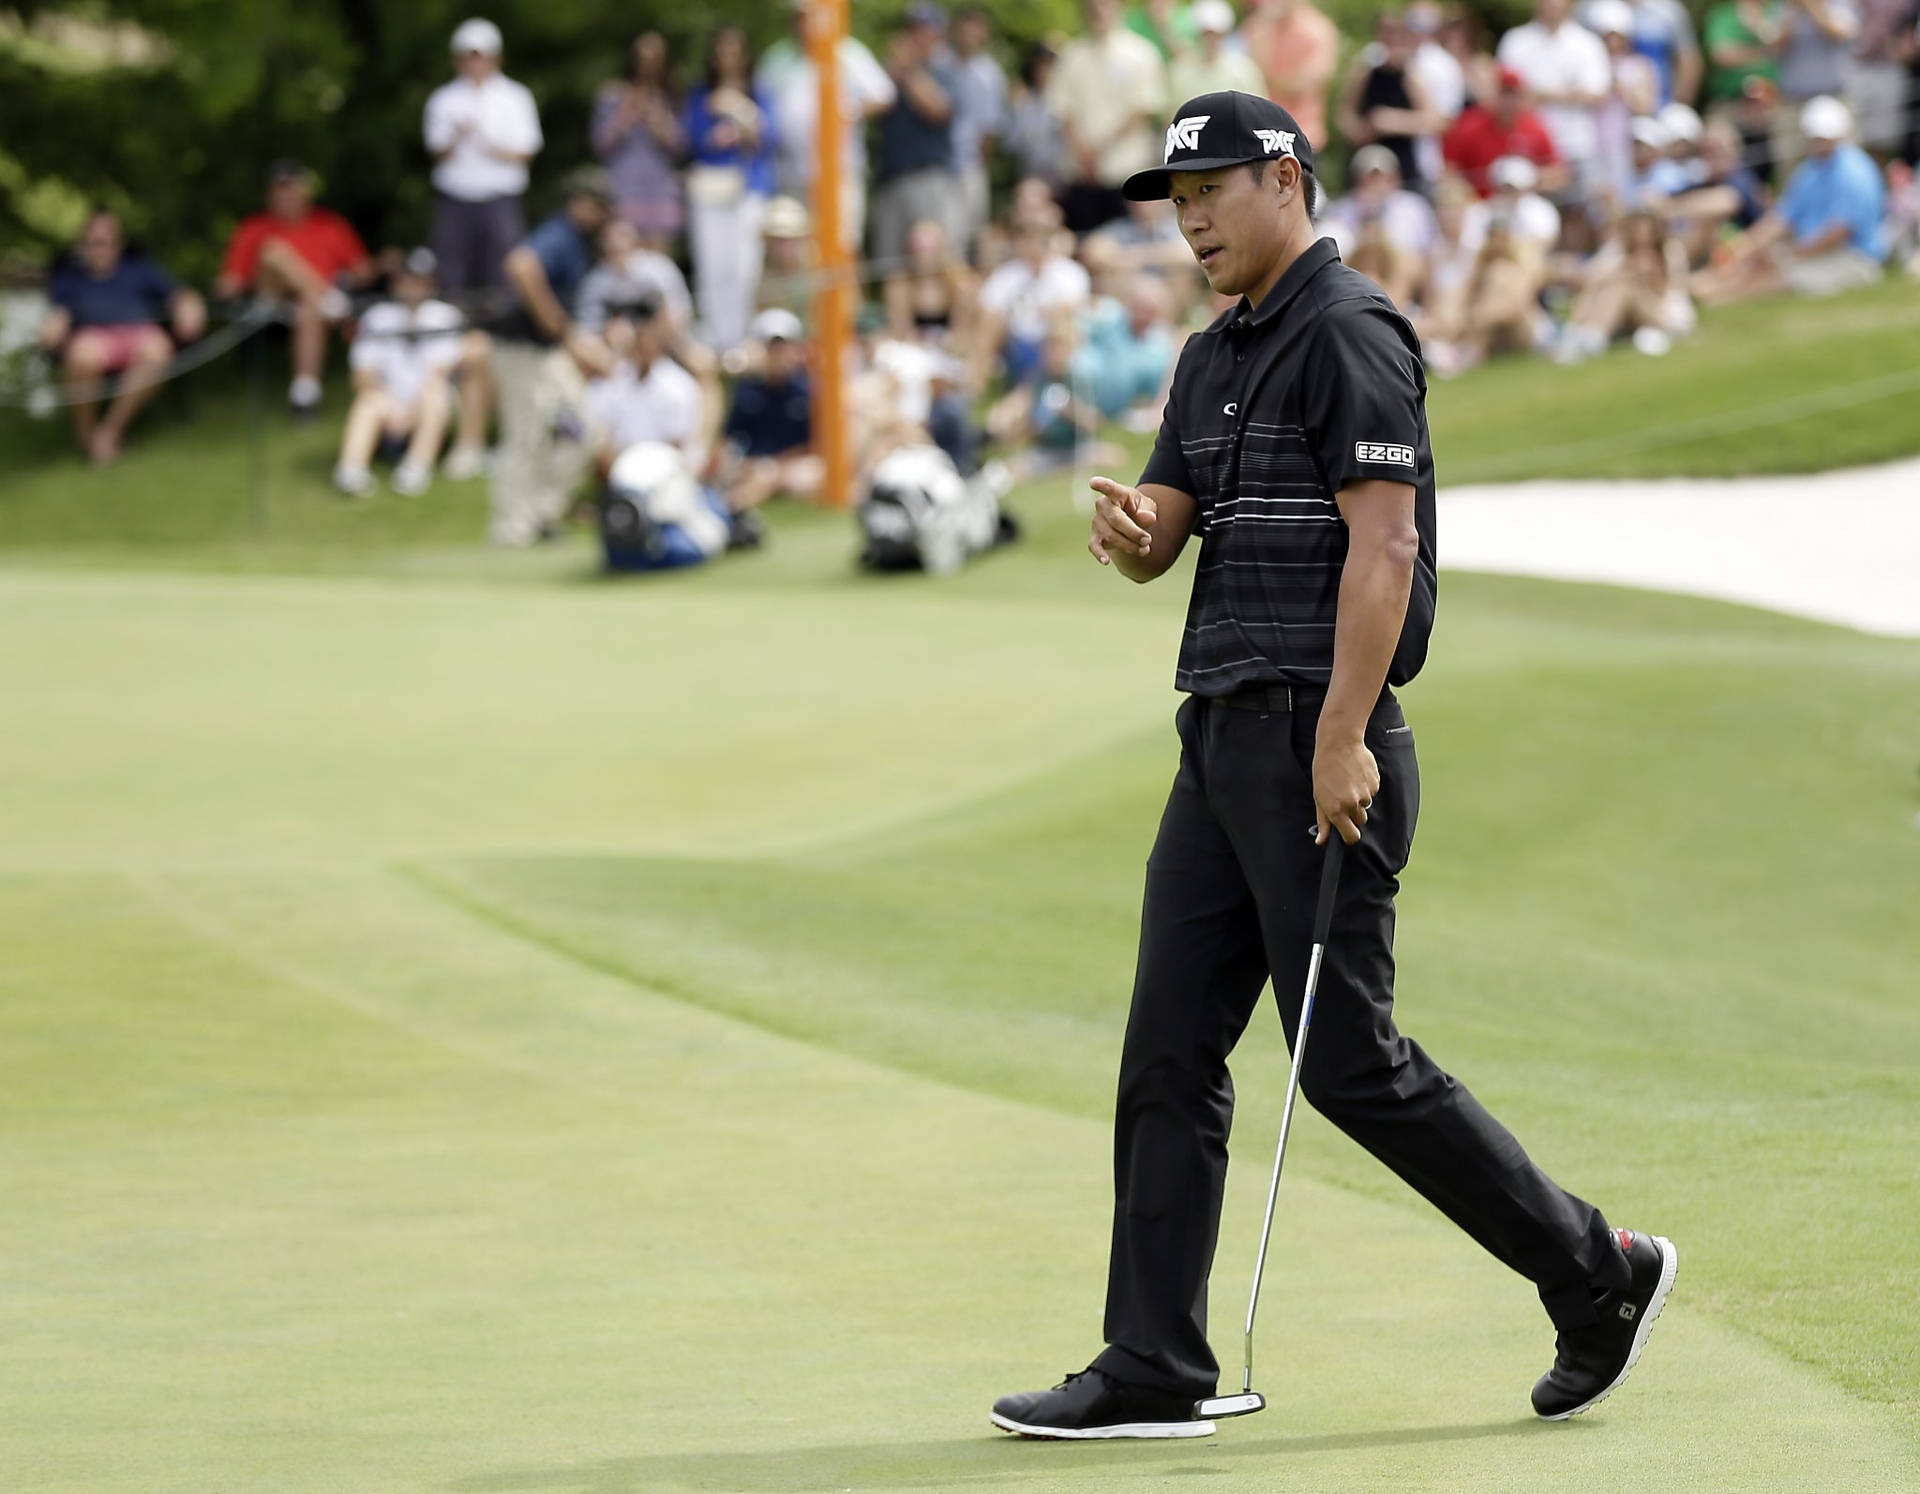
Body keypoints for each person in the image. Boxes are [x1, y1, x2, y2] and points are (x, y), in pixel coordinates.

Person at [990, 88, 1676, 1441]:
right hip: (1220, 730)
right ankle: (1154, 1357)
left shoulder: (1350, 330)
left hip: (1320, 733)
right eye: (1175, 197)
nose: (1189, 215)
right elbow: (1172, 517)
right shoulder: (1212, 350)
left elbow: (1387, 547)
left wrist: (1345, 731)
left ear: (1289, 180)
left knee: (1346, 1062)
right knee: (1167, 1047)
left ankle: (1600, 1271)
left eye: (1214, 187)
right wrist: (1138, 535)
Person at [487, 167, 616, 546]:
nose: (598, 213)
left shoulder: (577, 242)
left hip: (547, 352)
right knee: (526, 436)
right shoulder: (560, 234)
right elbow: (521, 265)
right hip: (520, 348)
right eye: (594, 204)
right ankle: (512, 528)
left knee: (585, 432)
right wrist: (555, 323)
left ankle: (541, 513)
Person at [38, 210, 205, 465]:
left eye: (105, 242)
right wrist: (52, 330)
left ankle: (109, 433)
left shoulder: (139, 270)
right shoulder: (69, 278)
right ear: (83, 245)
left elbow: (180, 295)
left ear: (118, 244)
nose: (99, 249)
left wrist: (190, 309)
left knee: (157, 350)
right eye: (92, 243)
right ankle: (87, 439)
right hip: (92, 340)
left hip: (139, 335)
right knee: (83, 356)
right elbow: (57, 315)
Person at [215, 160, 376, 417]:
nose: (284, 195)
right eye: (278, 189)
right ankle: (330, 302)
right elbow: (229, 282)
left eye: (290, 188)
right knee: (274, 252)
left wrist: (352, 277)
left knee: (308, 305)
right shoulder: (253, 228)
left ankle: (305, 395)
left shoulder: (330, 225)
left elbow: (364, 271)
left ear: (305, 191)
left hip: (309, 306)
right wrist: (228, 287)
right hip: (269, 304)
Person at [1694, 94, 1887, 299]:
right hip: (1816, 251)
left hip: (1854, 258)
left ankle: (1713, 296)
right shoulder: (1811, 170)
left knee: (1781, 274)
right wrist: (1744, 248)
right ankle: (1703, 288)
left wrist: (1791, 254)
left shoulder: (1854, 171)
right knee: (1764, 263)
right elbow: (1781, 219)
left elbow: (1840, 233)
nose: (1819, 142)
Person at [756, 5, 896, 253]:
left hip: (840, 174)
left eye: (809, 16)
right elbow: (762, 106)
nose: (804, 24)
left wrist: (849, 112)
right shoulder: (777, 57)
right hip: (792, 175)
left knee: (841, 246)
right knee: (794, 251)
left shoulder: (847, 51)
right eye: (799, 17)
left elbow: (883, 95)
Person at [333, 248, 469, 497]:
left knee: (436, 396)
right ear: (397, 283)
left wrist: (411, 409)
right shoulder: (376, 317)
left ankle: (416, 467)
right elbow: (362, 374)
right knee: (367, 402)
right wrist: (391, 403)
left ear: (432, 284)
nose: (415, 287)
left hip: (428, 400)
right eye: (409, 280)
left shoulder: (446, 316)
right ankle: (350, 471)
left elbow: (441, 372)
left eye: (421, 281)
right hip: (389, 400)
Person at [424, 19, 543, 298]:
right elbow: (435, 152)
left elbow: (525, 152)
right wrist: (458, 137)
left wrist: (486, 143)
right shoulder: (442, 99)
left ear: (495, 57)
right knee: (452, 273)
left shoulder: (516, 97)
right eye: (469, 57)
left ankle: (500, 337)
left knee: (503, 275)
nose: (475, 63)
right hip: (454, 200)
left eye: (481, 56)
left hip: (500, 201)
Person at [684, 27, 778, 353]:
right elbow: (693, 141)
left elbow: (768, 138)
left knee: (744, 264)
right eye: (721, 50)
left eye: (734, 50)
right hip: (710, 190)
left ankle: (740, 338)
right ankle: (715, 336)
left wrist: (737, 109)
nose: (727, 57)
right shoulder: (700, 95)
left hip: (747, 188)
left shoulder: (758, 92)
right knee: (712, 263)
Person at [1047, 0, 1169, 233]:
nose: (1099, 10)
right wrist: (1083, 152)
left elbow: (1143, 110)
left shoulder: (1141, 54)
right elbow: (1062, 110)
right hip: (1081, 175)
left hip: (1125, 174)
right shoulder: (1071, 55)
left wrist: (1098, 149)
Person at [872, 4, 965, 268]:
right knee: (891, 265)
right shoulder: (890, 72)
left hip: (929, 177)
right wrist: (893, 72)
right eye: (913, 29)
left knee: (937, 261)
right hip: (891, 178)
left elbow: (938, 110)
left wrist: (908, 72)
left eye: (925, 29)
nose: (917, 36)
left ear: (939, 35)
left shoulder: (946, 69)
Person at [1498, 0, 1613, 197]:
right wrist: (1569, 93)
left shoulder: (1587, 44)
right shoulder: (1515, 41)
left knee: (1577, 215)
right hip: (1526, 149)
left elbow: (1597, 95)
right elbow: (1504, 92)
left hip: (1576, 145)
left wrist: (1541, 93)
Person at [1555, 207, 1696, 358]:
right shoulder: (1617, 252)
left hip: (1667, 316)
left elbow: (1670, 293)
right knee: (1612, 287)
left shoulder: (1671, 252)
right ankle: (1583, 334)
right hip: (1627, 316)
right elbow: (1593, 283)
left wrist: (1645, 275)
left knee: (1623, 289)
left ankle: (1589, 339)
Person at [719, 307, 823, 513]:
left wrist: (773, 467)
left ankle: (737, 504)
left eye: (783, 347)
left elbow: (817, 445)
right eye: (772, 348)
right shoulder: (747, 390)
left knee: (804, 477)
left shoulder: (808, 390)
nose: (778, 354)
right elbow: (730, 440)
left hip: (794, 466)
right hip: (755, 466)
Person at [1338, 9, 1450, 194]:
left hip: (1404, 165)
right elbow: (1345, 114)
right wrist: (1360, 130)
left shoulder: (1412, 76)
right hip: (1368, 161)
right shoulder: (1365, 72)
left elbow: (1436, 121)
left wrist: (1394, 121)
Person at [592, 31, 686, 250]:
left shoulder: (672, 97)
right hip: (623, 189)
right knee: (625, 259)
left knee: (658, 264)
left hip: (660, 191)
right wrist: (625, 116)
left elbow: (682, 148)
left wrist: (660, 124)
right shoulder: (612, 94)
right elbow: (600, 144)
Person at [976, 213, 1093, 385]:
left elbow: (1075, 310)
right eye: (1028, 241)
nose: (1034, 248)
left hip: (1051, 341)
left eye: (1041, 241)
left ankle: (1036, 389)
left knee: (1060, 322)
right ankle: (977, 387)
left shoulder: (1070, 273)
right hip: (1014, 342)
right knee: (988, 324)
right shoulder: (1006, 275)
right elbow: (988, 311)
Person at [1321, 145, 1441, 308]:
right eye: (1369, 178)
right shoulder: (1341, 211)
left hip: (1407, 292)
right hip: (1352, 287)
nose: (1375, 184)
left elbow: (1427, 262)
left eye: (1382, 178)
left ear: (1395, 179)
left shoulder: (1413, 208)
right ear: (1357, 180)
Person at [1443, 67, 1566, 194]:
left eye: (1513, 95)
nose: (1508, 102)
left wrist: (1528, 176)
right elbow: (1450, 173)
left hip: (1522, 203)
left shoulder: (1535, 128)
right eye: (1504, 94)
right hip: (1480, 205)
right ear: (1493, 94)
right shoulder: (1469, 126)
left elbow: (1558, 174)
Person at [1241, 0, 1343, 147]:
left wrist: (1266, 79)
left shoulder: (1318, 30)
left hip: (1302, 134)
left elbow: (1303, 85)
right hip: (1260, 132)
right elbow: (1249, 73)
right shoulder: (1260, 25)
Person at [948, 7, 1009, 251]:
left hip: (971, 165)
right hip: (939, 167)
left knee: (972, 232)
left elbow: (990, 129)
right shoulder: (940, 64)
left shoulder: (990, 74)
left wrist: (979, 163)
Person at [1591, 0, 1663, 203]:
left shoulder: (1640, 66)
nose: (1612, 42)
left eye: (1617, 36)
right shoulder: (1590, 64)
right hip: (1594, 145)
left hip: (1627, 146)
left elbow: (1646, 106)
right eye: (1607, 36)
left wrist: (1621, 88)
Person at [1775, 0, 1860, 169]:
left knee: (1845, 163)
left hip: (1835, 97)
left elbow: (1839, 33)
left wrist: (1811, 6)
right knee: (1792, 168)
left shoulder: (1839, 4)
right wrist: (1792, 15)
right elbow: (1774, 46)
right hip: (1794, 102)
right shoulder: (1785, 7)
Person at [882, 218, 981, 354]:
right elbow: (900, 332)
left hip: (951, 354)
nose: (923, 256)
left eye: (928, 249)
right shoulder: (899, 284)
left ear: (942, 249)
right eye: (917, 249)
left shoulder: (960, 282)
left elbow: (964, 335)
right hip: (914, 353)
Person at [1584, 0, 1703, 105]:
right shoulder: (1592, 9)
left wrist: (1676, 104)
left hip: (1662, 104)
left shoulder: (1669, 11)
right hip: (1605, 106)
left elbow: (1689, 61)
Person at [1849, 0, 1919, 154]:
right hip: (1859, 65)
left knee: (1889, 134)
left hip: (1892, 68)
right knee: (1860, 131)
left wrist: (1899, 46)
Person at [1169, 0, 1268, 101]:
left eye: (1216, 34)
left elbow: (1257, 108)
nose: (1211, 39)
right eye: (1207, 33)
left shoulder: (1243, 69)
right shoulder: (1180, 70)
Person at [1004, 40, 1071, 189]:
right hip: (1030, 177)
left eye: (1050, 64)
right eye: (1041, 64)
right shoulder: (1023, 101)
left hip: (1064, 180)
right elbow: (1012, 144)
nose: (1045, 70)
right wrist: (1016, 108)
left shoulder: (1069, 101)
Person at [1704, 0, 1787, 118]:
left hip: (1773, 101)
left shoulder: (1777, 9)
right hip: (1732, 99)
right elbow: (1723, 55)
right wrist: (1764, 53)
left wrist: (1759, 27)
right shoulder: (1723, 14)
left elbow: (1783, 46)